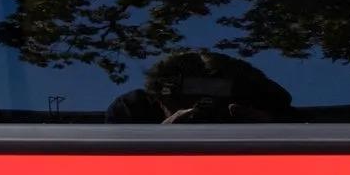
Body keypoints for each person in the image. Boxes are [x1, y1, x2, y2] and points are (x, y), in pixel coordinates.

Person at [104, 50, 293, 124]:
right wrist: (158, 137)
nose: (204, 112)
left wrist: (269, 128)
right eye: (188, 100)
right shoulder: (131, 112)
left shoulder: (266, 104)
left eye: (220, 102)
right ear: (159, 99)